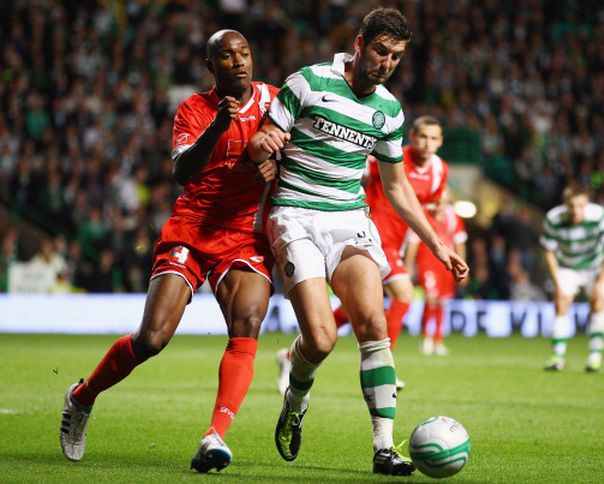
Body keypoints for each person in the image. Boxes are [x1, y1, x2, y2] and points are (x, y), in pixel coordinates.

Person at [247, 7, 468, 476]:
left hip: (349, 220)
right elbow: (267, 132)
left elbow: (397, 187)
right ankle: (296, 398)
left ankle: (384, 447)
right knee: (323, 340)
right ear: (360, 43)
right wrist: (266, 143)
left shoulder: (388, 111)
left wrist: (438, 245)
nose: (387, 62)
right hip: (296, 217)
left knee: (374, 325)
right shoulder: (307, 82)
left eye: (397, 56)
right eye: (382, 51)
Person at [59, 30, 279, 473]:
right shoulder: (194, 109)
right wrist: (218, 124)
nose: (238, 62)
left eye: (244, 53)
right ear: (209, 66)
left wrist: (279, 162)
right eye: (226, 56)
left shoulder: (275, 102)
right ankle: (82, 398)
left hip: (241, 233)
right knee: (152, 339)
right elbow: (182, 171)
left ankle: (214, 436)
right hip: (191, 230)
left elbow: (294, 147)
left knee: (249, 323)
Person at [276, 115, 450, 393]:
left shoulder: (440, 171)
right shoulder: (391, 158)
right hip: (371, 235)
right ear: (412, 137)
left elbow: (419, 204)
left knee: (355, 308)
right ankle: (384, 364)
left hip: (397, 243)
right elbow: (359, 178)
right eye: (422, 137)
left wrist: (435, 211)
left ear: (441, 142)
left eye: (433, 138)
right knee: (404, 294)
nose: (427, 144)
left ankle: (290, 355)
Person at [540, 183, 604, 372]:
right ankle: (558, 357)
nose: (576, 210)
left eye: (581, 205)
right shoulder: (553, 219)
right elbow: (548, 252)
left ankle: (594, 356)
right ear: (565, 204)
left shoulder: (600, 216)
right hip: (567, 266)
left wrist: (600, 280)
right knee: (560, 302)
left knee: (597, 303)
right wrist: (557, 284)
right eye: (572, 206)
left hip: (595, 266)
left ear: (587, 204)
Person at [404, 202, 468, 356]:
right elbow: (413, 241)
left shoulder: (454, 216)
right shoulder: (423, 213)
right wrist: (409, 264)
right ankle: (426, 338)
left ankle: (438, 340)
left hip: (446, 264)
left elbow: (460, 243)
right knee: (430, 299)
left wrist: (461, 264)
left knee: (442, 301)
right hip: (427, 261)